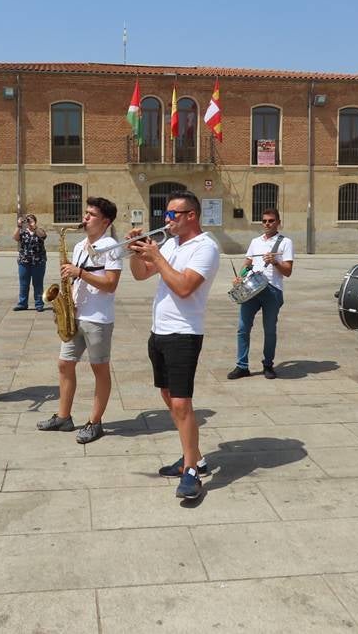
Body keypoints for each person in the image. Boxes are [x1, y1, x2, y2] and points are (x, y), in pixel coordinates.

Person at [128, 190, 219, 500]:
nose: (166, 220)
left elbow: (183, 287)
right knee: (168, 395)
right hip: (160, 331)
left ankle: (192, 472)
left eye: (172, 215)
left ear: (191, 216)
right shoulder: (170, 243)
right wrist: (136, 253)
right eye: (165, 215)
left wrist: (158, 257)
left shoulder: (205, 247)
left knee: (181, 403)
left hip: (184, 333)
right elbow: (141, 276)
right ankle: (194, 456)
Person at [37, 197, 122, 443]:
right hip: (75, 315)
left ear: (105, 221)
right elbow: (75, 279)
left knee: (100, 369)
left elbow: (111, 284)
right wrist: (65, 301)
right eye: (85, 213)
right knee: (64, 364)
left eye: (91, 214)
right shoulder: (80, 246)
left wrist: (80, 272)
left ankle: (95, 423)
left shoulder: (111, 246)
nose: (85, 218)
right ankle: (64, 417)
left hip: (98, 319)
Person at [227, 208, 294, 380]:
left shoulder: (285, 242)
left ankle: (268, 365)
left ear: (278, 222)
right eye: (264, 221)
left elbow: (288, 271)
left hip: (272, 290)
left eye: (271, 221)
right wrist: (239, 278)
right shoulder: (255, 241)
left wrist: (275, 262)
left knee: (269, 330)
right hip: (251, 289)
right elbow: (248, 263)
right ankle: (242, 366)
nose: (267, 224)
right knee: (243, 328)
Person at [13, 213, 47, 312]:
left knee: (38, 284)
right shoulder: (23, 232)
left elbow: (43, 236)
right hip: (24, 262)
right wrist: (19, 226)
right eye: (27, 220)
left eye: (31, 220)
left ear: (35, 221)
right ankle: (22, 304)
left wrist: (34, 227)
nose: (29, 222)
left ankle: (39, 304)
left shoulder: (39, 231)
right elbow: (15, 238)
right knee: (24, 284)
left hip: (38, 262)